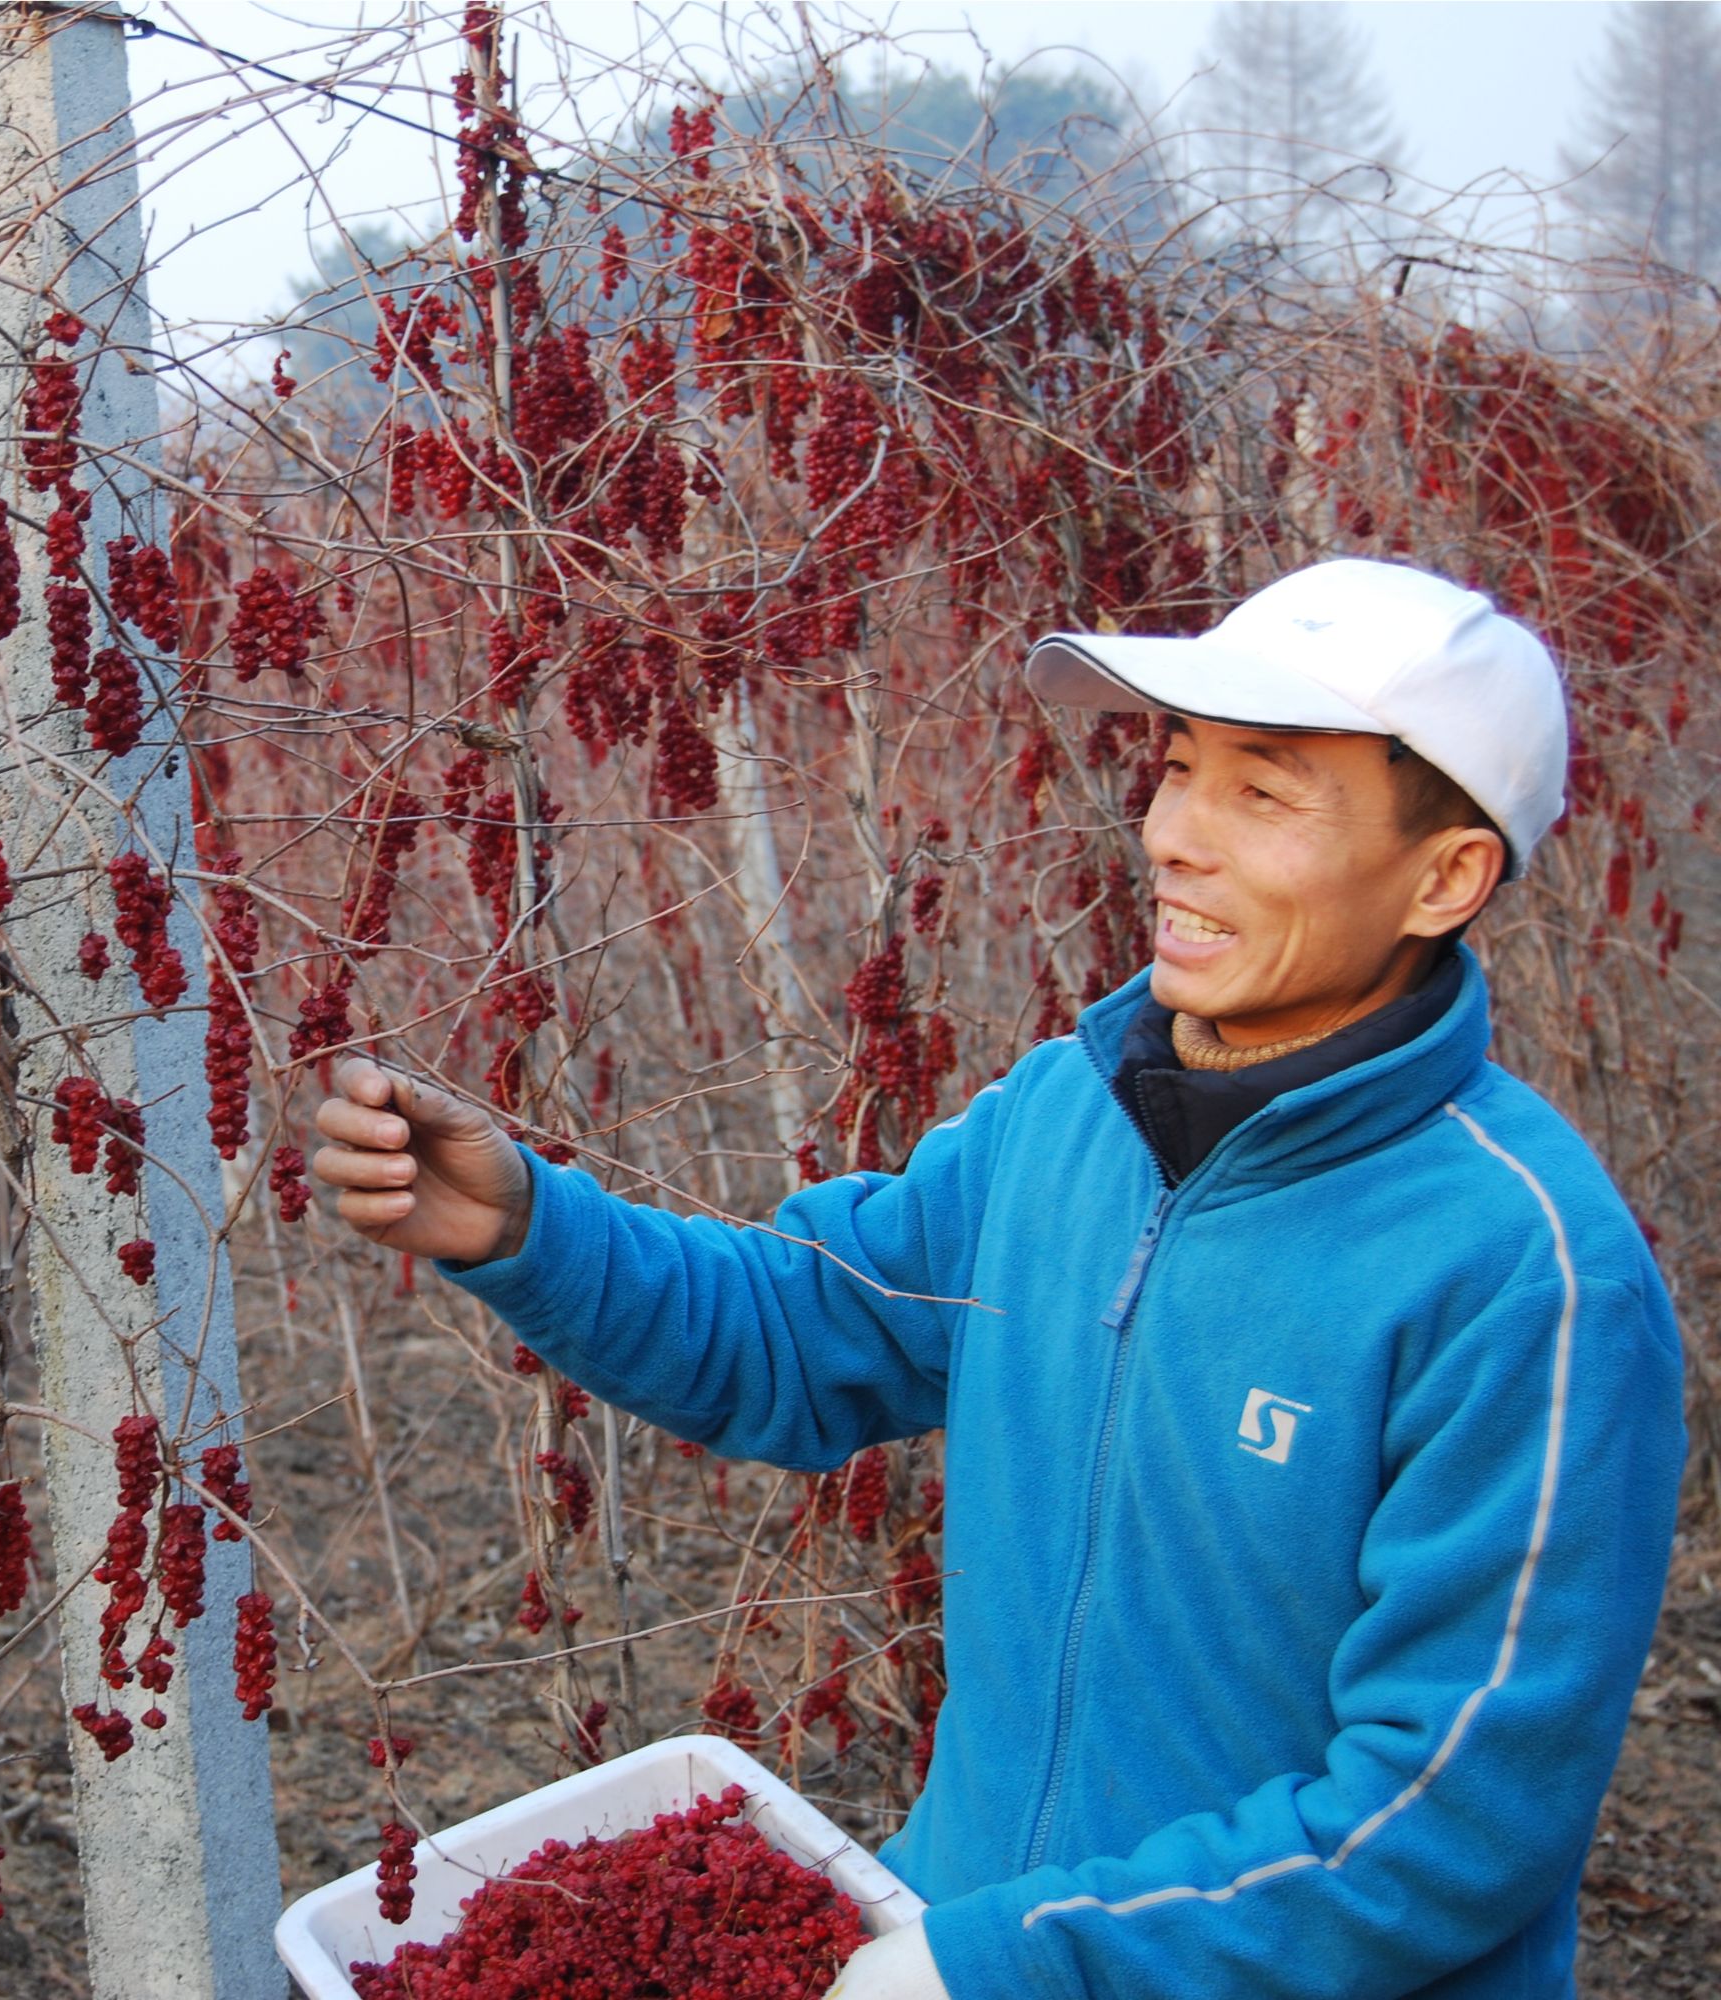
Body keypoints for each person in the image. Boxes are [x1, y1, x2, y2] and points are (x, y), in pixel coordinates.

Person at [311, 558, 1684, 1999]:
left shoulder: (1527, 1274)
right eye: (1174, 771)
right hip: (960, 1928)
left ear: (1444, 877)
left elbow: (1442, 1828)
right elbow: (808, 1327)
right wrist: (531, 1229)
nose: (1172, 837)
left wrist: (1011, 1965)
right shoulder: (1064, 1115)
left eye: (1261, 794)